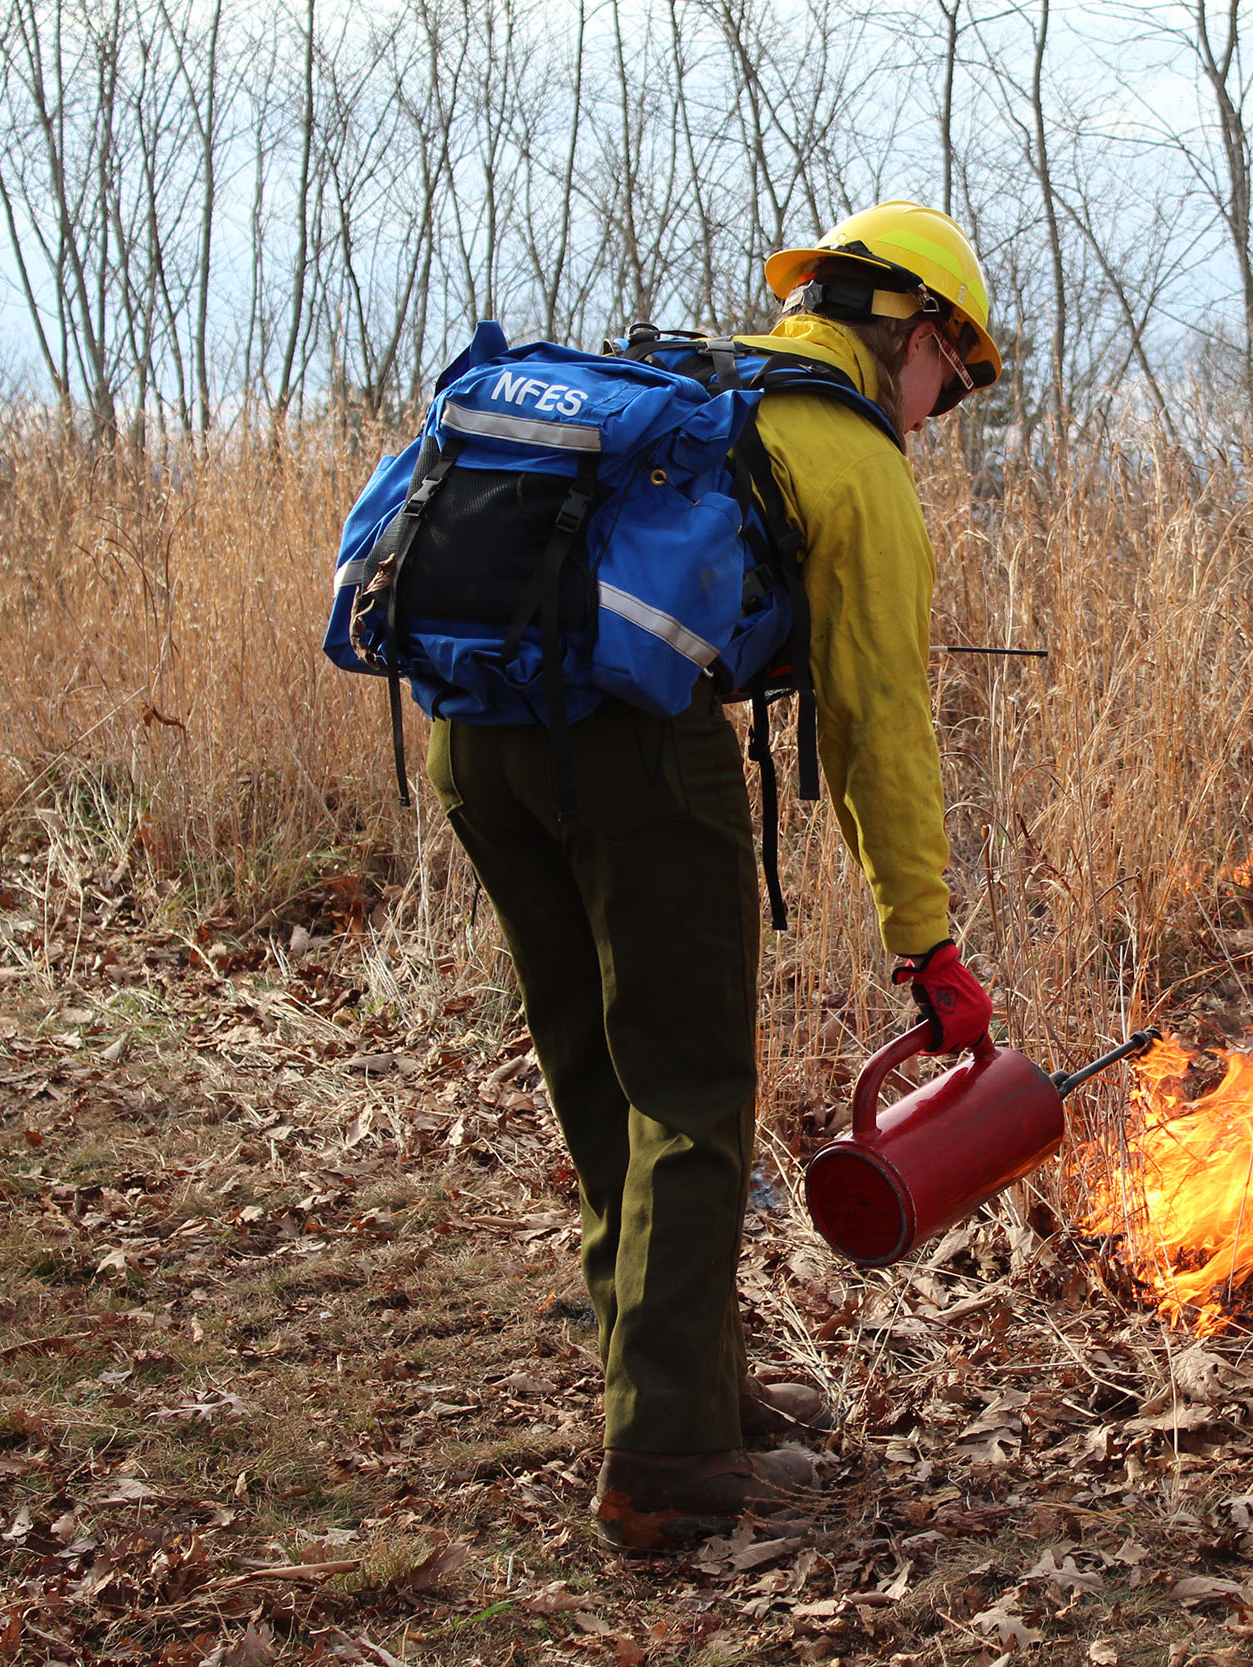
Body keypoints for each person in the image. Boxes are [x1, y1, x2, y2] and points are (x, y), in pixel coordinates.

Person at [423, 202, 1002, 1551]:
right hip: (633, 762)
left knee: (602, 1078)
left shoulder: (698, 381)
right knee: (689, 1098)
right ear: (909, 332)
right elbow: (878, 729)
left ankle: (682, 1386)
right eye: (952, 379)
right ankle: (670, 1466)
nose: (941, 411)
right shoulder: (850, 464)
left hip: (479, 748)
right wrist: (927, 944)